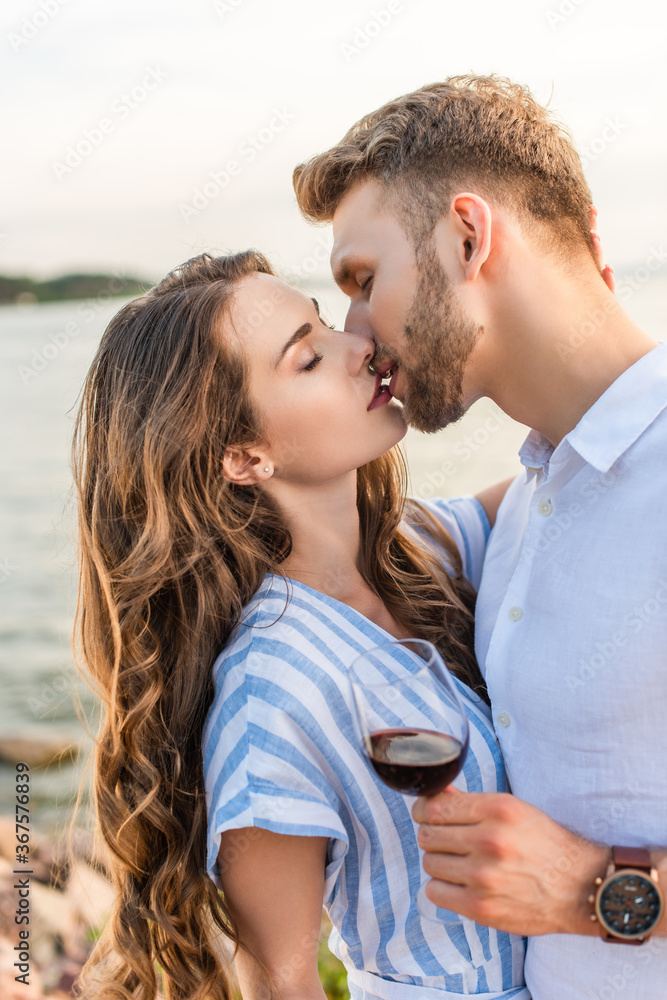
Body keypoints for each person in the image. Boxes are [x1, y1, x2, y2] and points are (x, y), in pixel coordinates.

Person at [70, 248, 532, 1000]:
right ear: (246, 455)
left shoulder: (419, 551)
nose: (361, 347)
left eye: (326, 322)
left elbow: (571, 472)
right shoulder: (270, 692)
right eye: (309, 356)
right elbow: (282, 987)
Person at [292, 74, 667, 999]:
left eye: (363, 280)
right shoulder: (536, 495)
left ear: (468, 235)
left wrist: (599, 889)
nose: (356, 333)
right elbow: (349, 554)